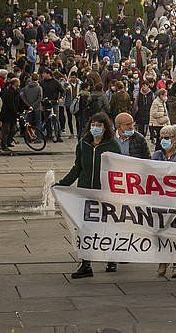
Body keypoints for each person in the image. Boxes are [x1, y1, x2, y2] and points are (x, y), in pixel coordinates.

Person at [57, 112, 120, 278]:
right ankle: (86, 264)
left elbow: (119, 171)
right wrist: (62, 184)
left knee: (107, 227)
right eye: (93, 124)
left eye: (99, 125)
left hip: (105, 193)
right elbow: (77, 168)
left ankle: (112, 258)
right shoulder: (83, 144)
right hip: (85, 192)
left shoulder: (112, 145)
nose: (95, 128)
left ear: (106, 128)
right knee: (85, 228)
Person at [152, 123, 176, 279]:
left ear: (175, 139)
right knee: (161, 231)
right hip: (160, 200)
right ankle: (163, 260)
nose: (163, 140)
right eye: (162, 137)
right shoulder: (156, 156)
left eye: (167, 138)